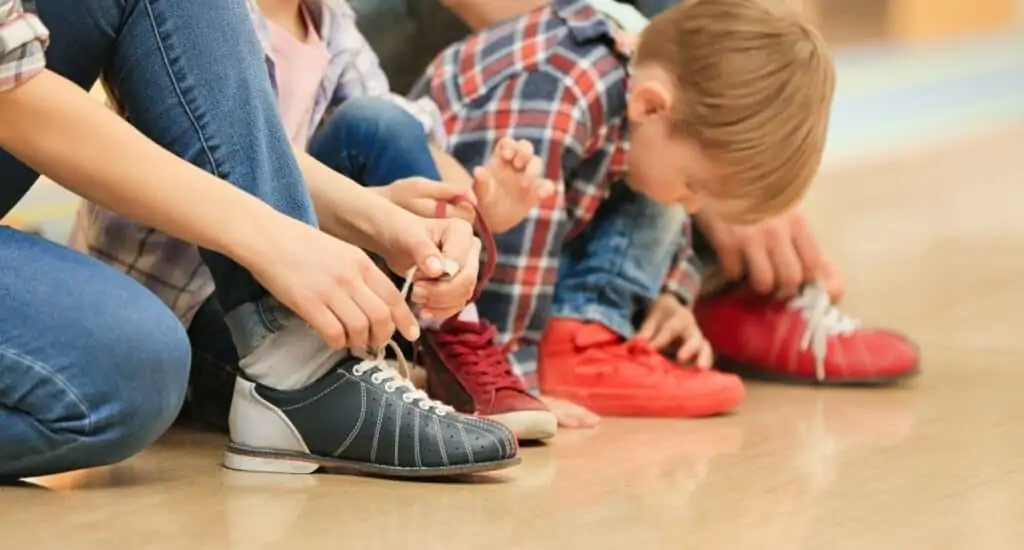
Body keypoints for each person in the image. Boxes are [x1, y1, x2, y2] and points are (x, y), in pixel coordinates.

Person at [0, 0, 517, 481]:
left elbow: (205, 137)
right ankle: (303, 366)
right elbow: (14, 95)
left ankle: (300, 367)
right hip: (176, 284)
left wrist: (382, 221)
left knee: (380, 124)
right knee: (127, 373)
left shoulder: (333, 26)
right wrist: (275, 238)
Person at [411, 0, 915, 426]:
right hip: (437, 253)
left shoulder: (642, 93)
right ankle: (576, 345)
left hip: (525, 230)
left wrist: (672, 296)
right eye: (697, 187)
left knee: (662, 178)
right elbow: (518, 244)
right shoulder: (560, 100)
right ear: (651, 106)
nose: (693, 209)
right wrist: (518, 381)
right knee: (651, 181)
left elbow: (672, 198)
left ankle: (607, 326)